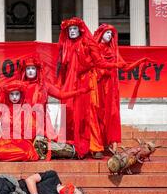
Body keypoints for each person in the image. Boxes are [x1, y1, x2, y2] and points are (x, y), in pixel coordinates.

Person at [57, 17, 125, 160]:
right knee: (73, 114)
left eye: (74, 29)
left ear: (80, 30)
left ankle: (96, 147)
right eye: (70, 29)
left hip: (87, 83)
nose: (72, 32)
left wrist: (115, 66)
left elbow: (99, 62)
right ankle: (76, 146)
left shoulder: (88, 43)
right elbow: (64, 68)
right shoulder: (66, 47)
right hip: (72, 83)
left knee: (90, 114)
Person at [93, 24, 150, 153]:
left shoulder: (114, 51)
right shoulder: (94, 49)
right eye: (107, 33)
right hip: (98, 85)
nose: (110, 36)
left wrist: (140, 61)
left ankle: (111, 145)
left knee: (112, 114)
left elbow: (125, 67)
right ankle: (98, 146)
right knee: (98, 114)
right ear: (101, 34)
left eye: (111, 34)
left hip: (111, 88)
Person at [0, 80, 40, 162]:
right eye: (12, 94)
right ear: (8, 95)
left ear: (21, 95)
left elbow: (33, 128)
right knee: (0, 153)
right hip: (5, 141)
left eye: (17, 94)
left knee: (26, 153)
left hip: (21, 141)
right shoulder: (2, 109)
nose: (14, 97)